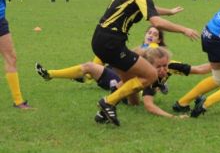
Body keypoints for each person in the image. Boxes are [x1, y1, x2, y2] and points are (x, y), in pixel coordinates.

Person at [92, 0, 199, 126]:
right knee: (150, 75)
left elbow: (150, 8)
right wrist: (184, 29)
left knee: (130, 86)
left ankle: (103, 113)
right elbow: (156, 21)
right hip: (110, 42)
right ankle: (108, 102)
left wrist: (169, 12)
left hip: (102, 39)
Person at [36, 46, 210, 120]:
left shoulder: (169, 67)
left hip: (128, 91)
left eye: (165, 65)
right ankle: (50, 74)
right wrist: (173, 118)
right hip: (117, 82)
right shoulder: (147, 75)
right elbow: (149, 106)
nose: (164, 69)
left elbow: (200, 69)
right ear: (148, 65)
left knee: (129, 95)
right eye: (160, 66)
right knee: (90, 66)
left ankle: (92, 83)